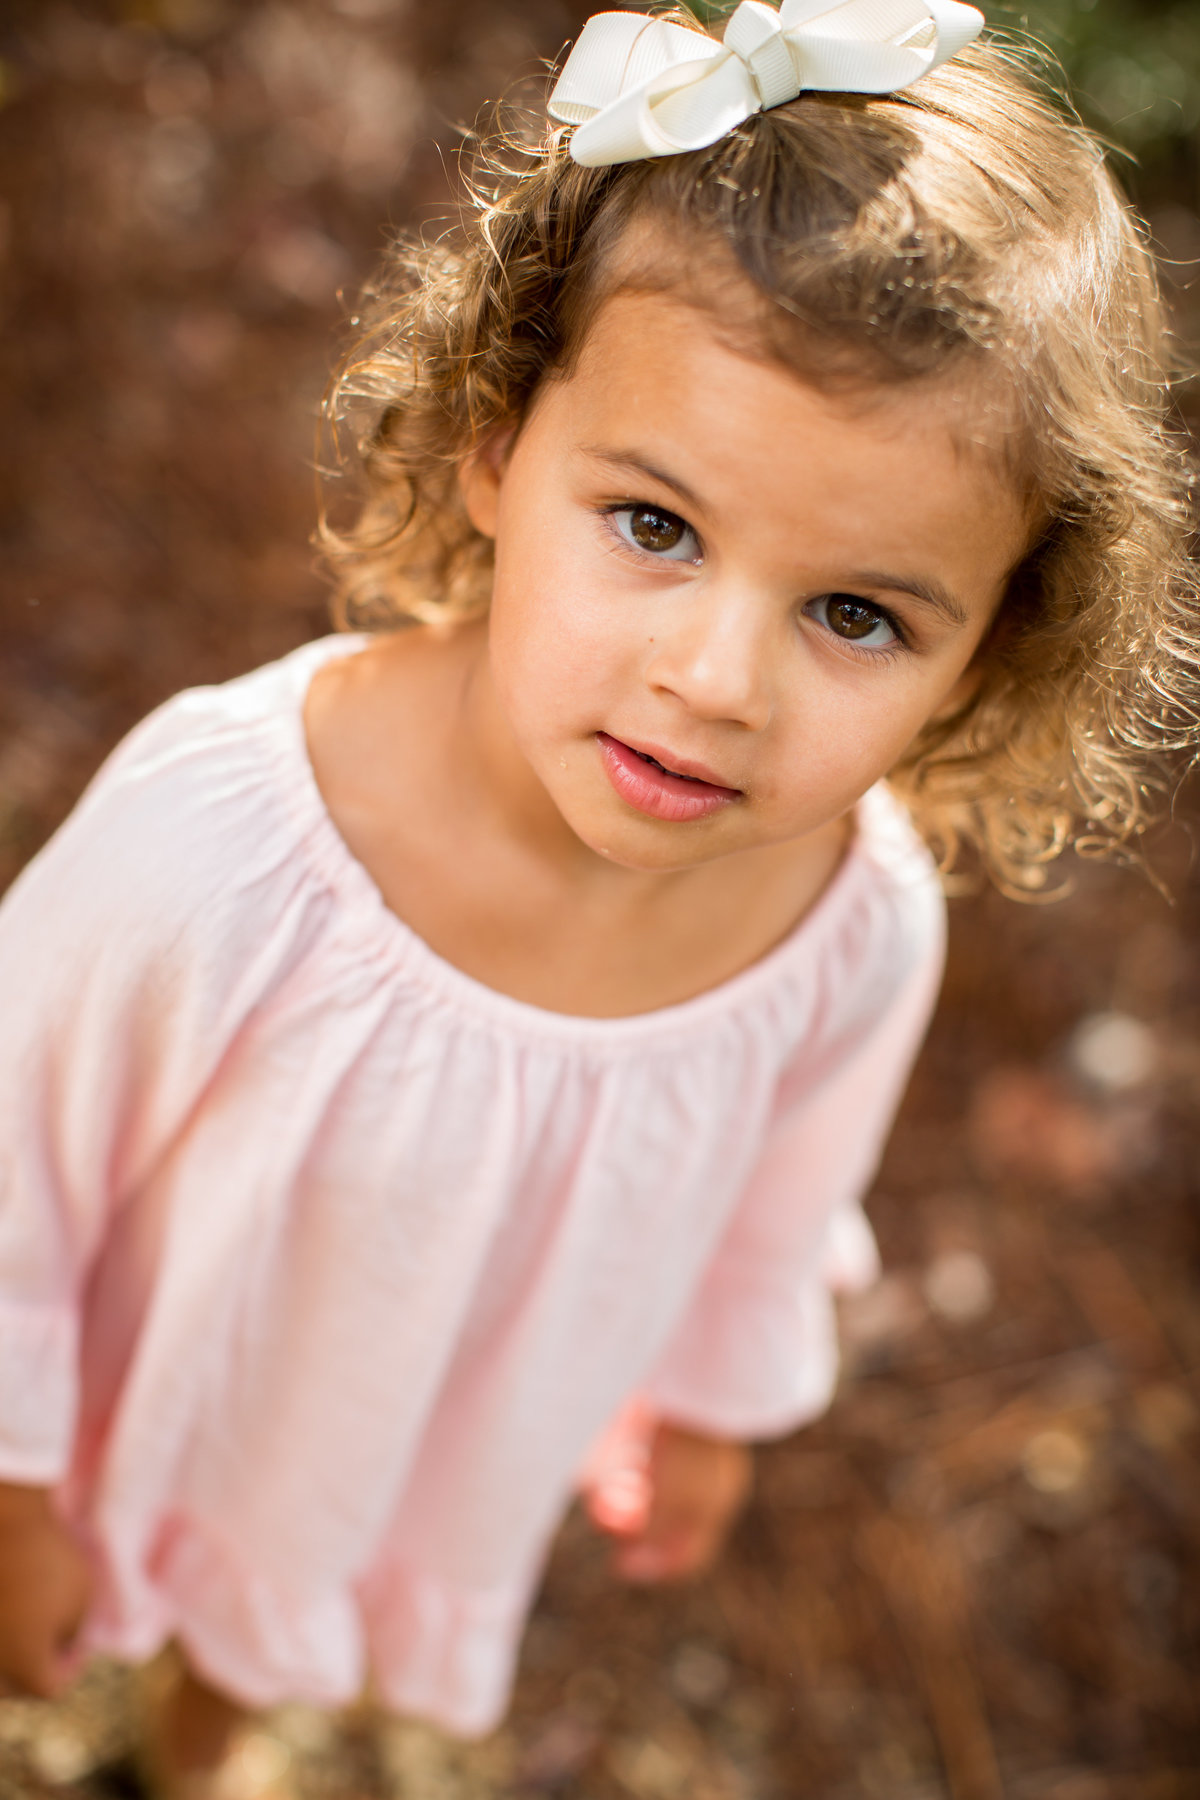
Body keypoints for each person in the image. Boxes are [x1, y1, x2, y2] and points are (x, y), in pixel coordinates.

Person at [0, 2, 1196, 1793]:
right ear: (498, 442)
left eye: (857, 614)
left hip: (406, 1426)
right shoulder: (223, 843)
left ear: (983, 657)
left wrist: (712, 1412)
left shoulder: (848, 935)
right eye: (653, 524)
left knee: (279, 1615)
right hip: (132, 1395)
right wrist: (16, 1492)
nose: (717, 677)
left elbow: (781, 1208)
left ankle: (203, 1750)